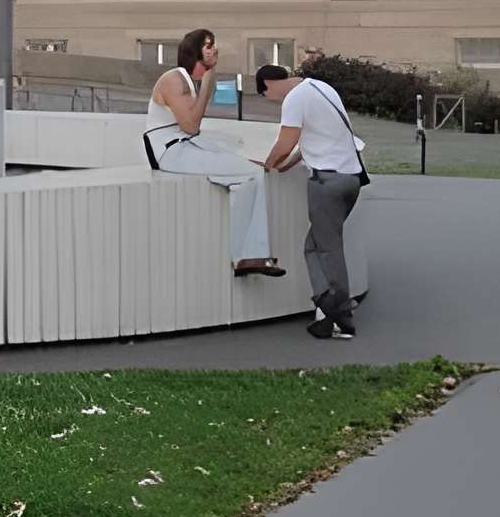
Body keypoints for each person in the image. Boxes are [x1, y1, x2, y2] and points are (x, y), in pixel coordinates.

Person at [147, 27, 281, 276]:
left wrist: (231, 158)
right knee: (250, 173)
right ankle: (248, 256)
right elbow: (190, 126)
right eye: (209, 45)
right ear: (195, 52)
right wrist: (208, 84)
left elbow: (191, 133)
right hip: (170, 152)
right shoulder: (174, 80)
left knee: (251, 173)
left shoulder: (188, 81)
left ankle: (247, 256)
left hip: (184, 146)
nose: (215, 49)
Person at [257, 61, 367, 339]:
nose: (271, 100)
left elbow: (287, 140)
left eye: (265, 95)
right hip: (350, 179)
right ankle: (324, 306)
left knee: (328, 250)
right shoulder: (322, 88)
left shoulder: (294, 98)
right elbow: (314, 138)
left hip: (326, 183)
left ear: (268, 83)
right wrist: (286, 165)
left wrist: (267, 165)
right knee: (313, 247)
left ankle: (341, 318)